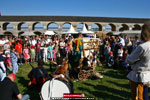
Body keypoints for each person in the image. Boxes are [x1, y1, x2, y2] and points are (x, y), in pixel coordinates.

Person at [126, 22, 150, 100]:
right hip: (147, 74)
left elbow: (129, 60)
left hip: (139, 75)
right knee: (145, 94)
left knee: (139, 96)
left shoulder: (142, 47)